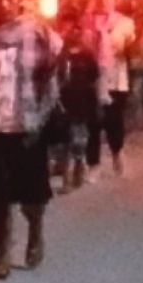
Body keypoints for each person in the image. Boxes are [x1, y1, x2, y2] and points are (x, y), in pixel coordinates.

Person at [0, 0, 61, 279]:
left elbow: (53, 73)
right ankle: (2, 255)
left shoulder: (38, 34)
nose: (2, 4)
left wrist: (44, 109)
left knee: (31, 197)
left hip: (27, 126)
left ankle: (35, 233)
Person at [85, 0, 136, 176]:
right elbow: (83, 48)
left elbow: (134, 48)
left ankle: (117, 152)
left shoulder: (125, 22)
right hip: (94, 77)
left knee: (114, 119)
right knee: (93, 122)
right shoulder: (88, 21)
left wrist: (127, 50)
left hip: (117, 76)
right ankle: (93, 164)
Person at [55, 19, 100, 190]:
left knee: (78, 139)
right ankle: (67, 178)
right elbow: (56, 78)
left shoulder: (87, 56)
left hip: (82, 101)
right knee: (64, 140)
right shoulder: (61, 56)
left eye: (74, 31)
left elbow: (94, 77)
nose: (71, 34)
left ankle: (78, 168)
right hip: (65, 100)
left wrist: (95, 101)